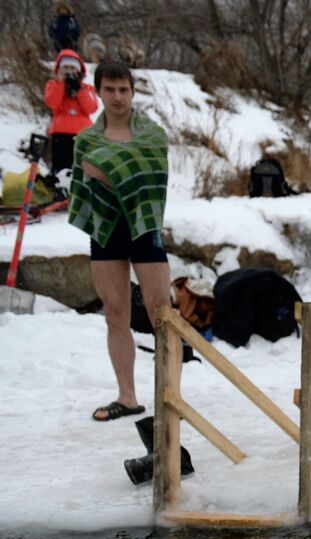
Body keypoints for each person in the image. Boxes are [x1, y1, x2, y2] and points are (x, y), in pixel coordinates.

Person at [68, 61, 171, 422]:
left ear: (132, 91)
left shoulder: (152, 135)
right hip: (106, 230)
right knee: (115, 316)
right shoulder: (86, 140)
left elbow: (154, 176)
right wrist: (106, 172)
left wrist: (107, 172)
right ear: (98, 91)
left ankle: (171, 398)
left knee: (163, 318)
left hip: (144, 227)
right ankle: (127, 397)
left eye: (123, 89)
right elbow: (82, 185)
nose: (117, 96)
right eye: (109, 89)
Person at [43, 49, 98, 180]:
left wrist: (79, 89)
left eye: (73, 68)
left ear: (79, 71)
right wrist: (60, 83)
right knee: (60, 170)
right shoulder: (53, 85)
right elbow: (52, 102)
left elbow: (91, 108)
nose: (69, 71)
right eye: (65, 67)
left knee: (82, 169)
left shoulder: (87, 88)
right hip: (60, 134)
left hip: (83, 135)